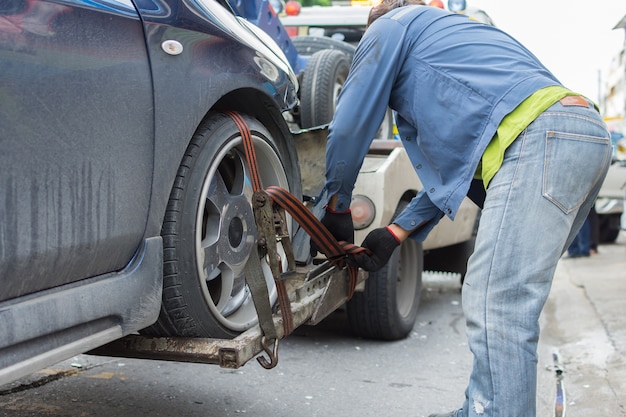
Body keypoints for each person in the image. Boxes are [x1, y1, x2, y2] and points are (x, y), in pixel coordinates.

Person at [315, 2, 613, 416]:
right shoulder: (457, 42)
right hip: (583, 136)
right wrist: (397, 232)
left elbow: (349, 125)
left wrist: (337, 204)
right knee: (501, 295)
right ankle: (481, 409)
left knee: (499, 301)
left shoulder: (391, 25)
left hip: (541, 138)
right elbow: (455, 173)